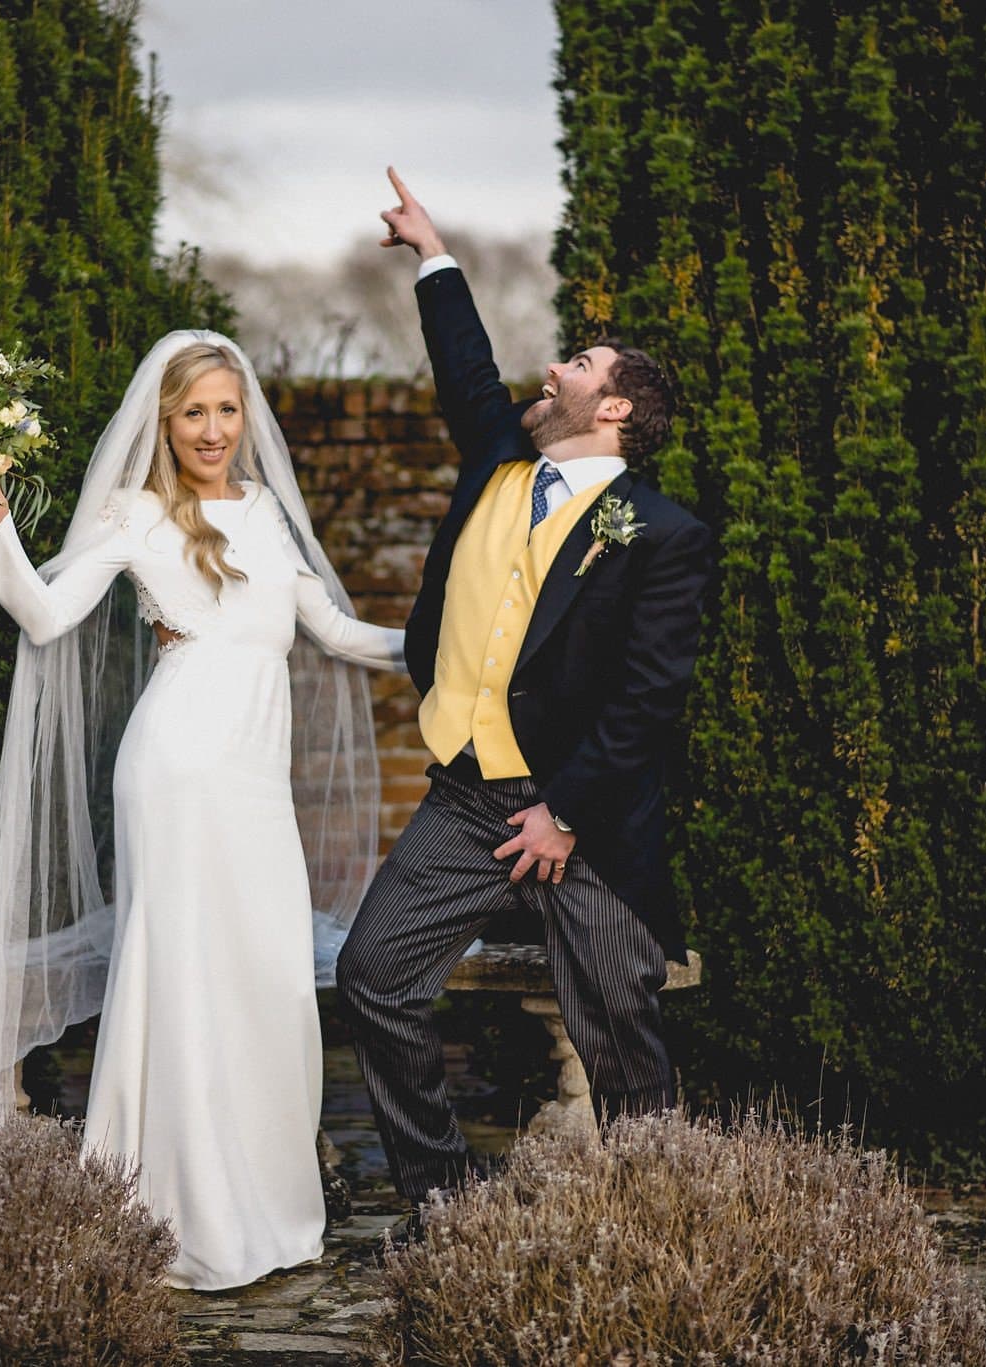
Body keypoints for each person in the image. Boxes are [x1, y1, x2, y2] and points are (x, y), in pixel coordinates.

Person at [0, 333, 405, 1291]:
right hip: (178, 768)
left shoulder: (266, 512)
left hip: (255, 784)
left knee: (267, 978)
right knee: (181, 976)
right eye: (194, 413)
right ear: (164, 421)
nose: (214, 430)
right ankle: (172, 1215)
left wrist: (455, 646)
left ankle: (265, 1209)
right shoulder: (134, 515)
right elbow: (43, 613)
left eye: (228, 410)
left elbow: (339, 632)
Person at [337, 169, 717, 1209]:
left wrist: (563, 813)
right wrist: (432, 251)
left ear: (617, 406)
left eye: (578, 364)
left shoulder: (663, 534)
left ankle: (664, 1232)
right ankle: (441, 1194)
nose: (550, 368)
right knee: (371, 978)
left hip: (579, 821)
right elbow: (466, 367)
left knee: (621, 1043)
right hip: (465, 798)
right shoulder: (500, 461)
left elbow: (647, 698)